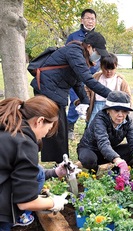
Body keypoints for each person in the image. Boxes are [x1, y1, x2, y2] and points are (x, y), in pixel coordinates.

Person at [30, 31, 111, 163]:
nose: (98, 57)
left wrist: (85, 101)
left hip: (54, 90)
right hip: (47, 90)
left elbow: (77, 82)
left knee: (59, 130)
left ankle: (60, 162)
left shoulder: (80, 55)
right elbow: (87, 80)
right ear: (89, 46)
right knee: (54, 128)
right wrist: (111, 94)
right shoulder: (74, 51)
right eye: (98, 52)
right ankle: (61, 164)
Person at [0, 96, 68, 231]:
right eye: (48, 128)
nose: (46, 134)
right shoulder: (24, 142)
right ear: (39, 121)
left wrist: (55, 172)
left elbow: (23, 171)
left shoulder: (8, 127)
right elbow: (25, 202)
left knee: (37, 171)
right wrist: (53, 202)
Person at [77, 91, 133, 174]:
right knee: (88, 160)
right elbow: (103, 142)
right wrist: (117, 159)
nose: (120, 115)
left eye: (124, 111)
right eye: (116, 110)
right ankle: (95, 171)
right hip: (90, 149)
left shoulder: (128, 121)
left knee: (131, 150)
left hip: (108, 152)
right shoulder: (100, 119)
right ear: (108, 110)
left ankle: (115, 169)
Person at [66, 8, 99, 139]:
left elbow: (99, 56)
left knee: (92, 101)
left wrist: (91, 71)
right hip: (75, 75)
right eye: (88, 18)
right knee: (76, 100)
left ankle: (89, 127)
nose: (90, 21)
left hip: (90, 76)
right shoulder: (73, 36)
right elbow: (67, 54)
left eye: (93, 19)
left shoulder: (98, 38)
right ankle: (70, 127)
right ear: (82, 20)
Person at [86, 54, 132, 125]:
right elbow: (87, 88)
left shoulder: (120, 80)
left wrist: (126, 110)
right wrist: (86, 100)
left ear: (116, 67)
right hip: (97, 106)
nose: (109, 71)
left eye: (112, 69)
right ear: (101, 66)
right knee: (93, 126)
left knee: (112, 128)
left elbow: (128, 96)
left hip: (113, 108)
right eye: (106, 69)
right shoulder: (96, 77)